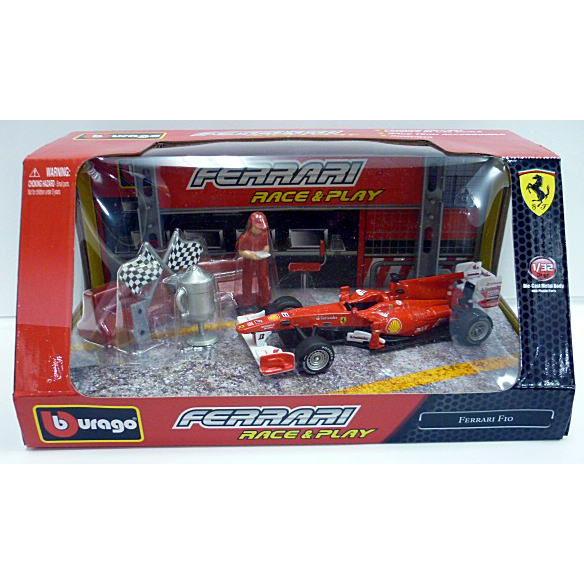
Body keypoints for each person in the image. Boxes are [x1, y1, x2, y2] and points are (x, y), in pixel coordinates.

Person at [236, 212, 272, 311]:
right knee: (247, 280)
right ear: (251, 226)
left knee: (263, 279)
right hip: (249, 261)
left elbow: (266, 246)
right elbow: (241, 251)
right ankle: (247, 302)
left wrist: (265, 251)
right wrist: (252, 255)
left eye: (262, 228)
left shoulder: (264, 235)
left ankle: (265, 301)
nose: (260, 230)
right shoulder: (245, 237)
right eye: (258, 228)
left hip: (262, 260)